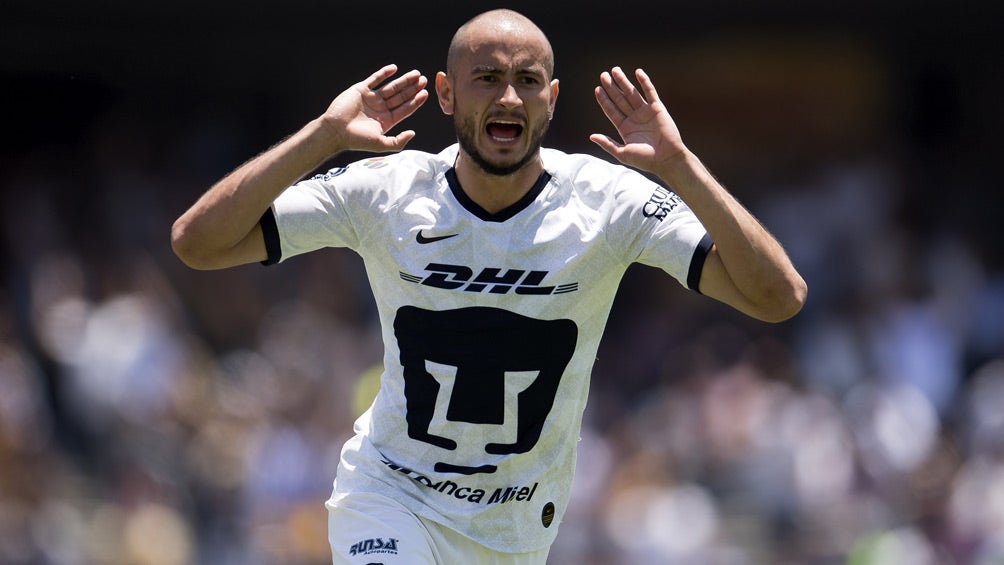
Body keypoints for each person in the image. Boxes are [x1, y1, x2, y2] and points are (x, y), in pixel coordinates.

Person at [171, 8, 806, 564]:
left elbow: (778, 298)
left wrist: (682, 169)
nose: (508, 97)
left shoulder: (609, 201)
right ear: (447, 94)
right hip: (390, 497)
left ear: (551, 98)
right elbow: (198, 243)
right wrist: (323, 137)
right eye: (487, 78)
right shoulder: (384, 190)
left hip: (516, 533)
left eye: (527, 81)